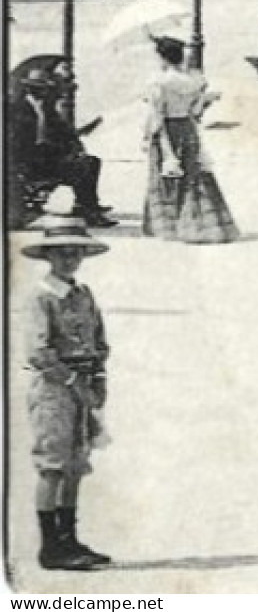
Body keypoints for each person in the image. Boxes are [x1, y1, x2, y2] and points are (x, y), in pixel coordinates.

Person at [23, 216, 113, 571]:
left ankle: (69, 539)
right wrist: (74, 381)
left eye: (76, 253)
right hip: (54, 390)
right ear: (50, 256)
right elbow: (39, 351)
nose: (70, 259)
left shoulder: (83, 294)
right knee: (52, 466)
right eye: (62, 253)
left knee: (76, 463)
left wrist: (98, 380)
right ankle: (50, 547)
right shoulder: (42, 298)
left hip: (84, 387)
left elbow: (99, 341)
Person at [141, 37, 239, 245]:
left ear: (163, 57)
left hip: (167, 129)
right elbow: (196, 111)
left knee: (166, 175)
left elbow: (157, 115)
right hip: (187, 128)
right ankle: (199, 223)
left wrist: (149, 136)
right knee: (194, 175)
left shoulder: (159, 82)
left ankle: (170, 225)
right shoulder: (195, 81)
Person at [9, 69, 115, 228]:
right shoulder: (17, 110)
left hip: (46, 158)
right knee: (82, 166)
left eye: (45, 88)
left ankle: (86, 206)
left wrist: (74, 140)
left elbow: (63, 132)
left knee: (91, 162)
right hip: (26, 162)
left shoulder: (48, 109)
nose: (44, 92)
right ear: (30, 88)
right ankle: (90, 212)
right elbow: (15, 143)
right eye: (39, 88)